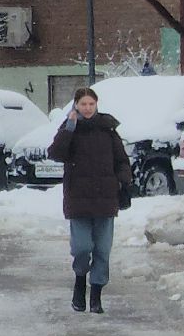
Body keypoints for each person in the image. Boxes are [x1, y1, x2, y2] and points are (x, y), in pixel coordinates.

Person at [48, 87, 132, 313]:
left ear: (96, 105)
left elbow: (122, 161)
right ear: (75, 105)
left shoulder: (108, 129)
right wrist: (69, 127)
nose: (87, 108)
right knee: (82, 248)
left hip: (106, 200)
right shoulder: (69, 128)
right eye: (83, 104)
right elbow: (55, 153)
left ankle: (96, 295)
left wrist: (124, 181)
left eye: (91, 104)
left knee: (103, 250)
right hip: (79, 200)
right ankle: (79, 282)